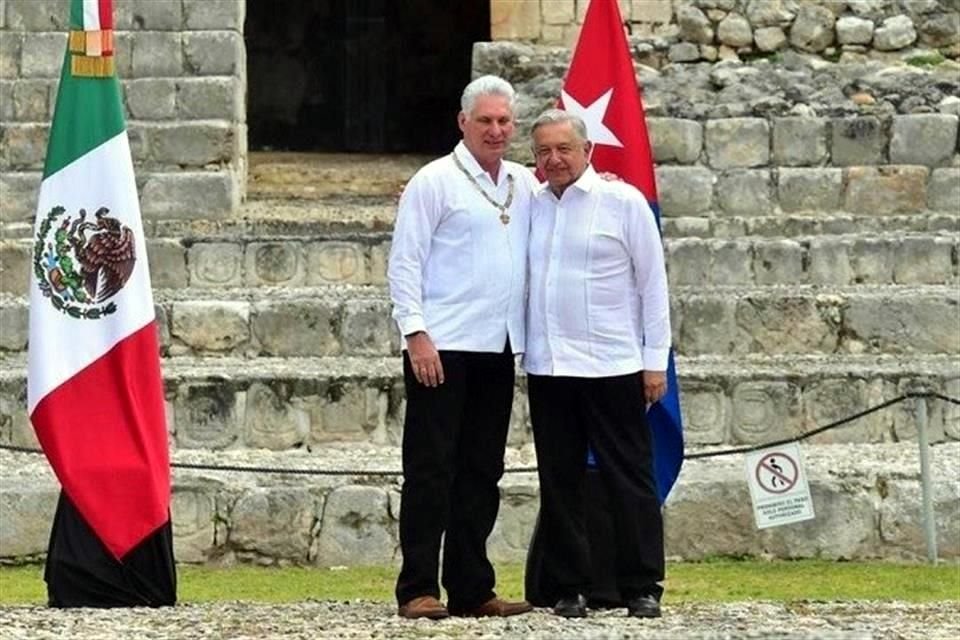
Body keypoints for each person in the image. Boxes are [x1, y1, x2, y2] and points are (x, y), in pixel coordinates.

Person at [386, 75, 537, 620]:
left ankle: (473, 586)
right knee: (431, 469)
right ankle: (418, 587)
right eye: (485, 121)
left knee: (482, 470)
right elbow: (405, 262)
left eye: (504, 121)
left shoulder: (524, 182)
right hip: (442, 346)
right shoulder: (434, 182)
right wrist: (416, 333)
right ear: (463, 122)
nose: (496, 130)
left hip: (499, 345)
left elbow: (566, 196)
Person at [523, 109, 671, 619]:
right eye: (544, 151)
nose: (554, 159)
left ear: (587, 150)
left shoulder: (623, 203)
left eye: (564, 148)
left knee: (628, 476)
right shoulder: (530, 204)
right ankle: (570, 585)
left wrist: (656, 362)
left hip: (613, 363)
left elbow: (653, 286)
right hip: (550, 366)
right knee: (560, 480)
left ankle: (641, 584)